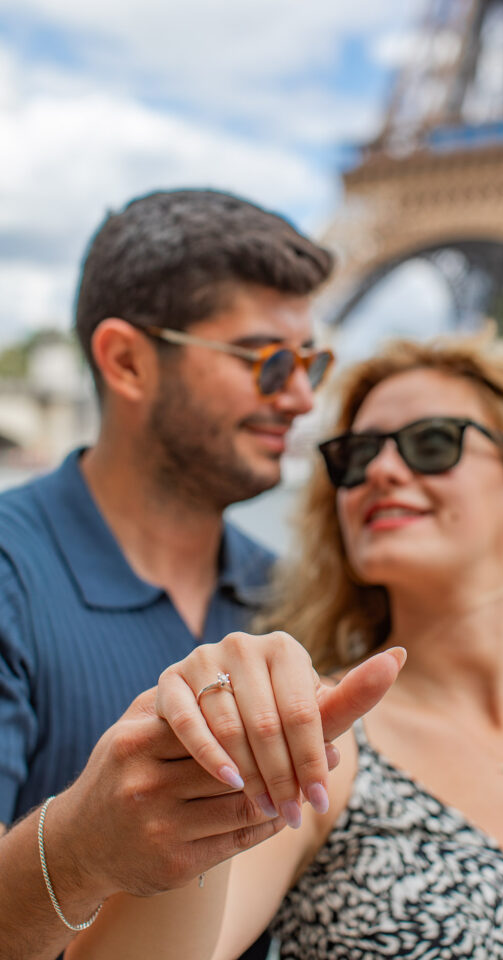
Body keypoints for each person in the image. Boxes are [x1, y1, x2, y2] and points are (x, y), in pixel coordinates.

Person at [70, 330, 503, 960]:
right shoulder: (322, 744)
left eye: (432, 443)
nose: (383, 471)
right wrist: (216, 761)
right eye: (355, 456)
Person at [0, 187, 399, 960]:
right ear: (126, 361)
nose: (302, 396)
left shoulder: (302, 597)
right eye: (267, 360)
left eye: (311, 361)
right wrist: (85, 848)